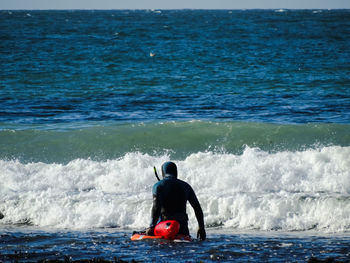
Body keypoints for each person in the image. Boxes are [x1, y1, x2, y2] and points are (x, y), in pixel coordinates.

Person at [145, 161, 206, 240]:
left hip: (165, 227)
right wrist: (201, 228)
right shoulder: (186, 186)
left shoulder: (158, 186)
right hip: (182, 227)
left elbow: (156, 207)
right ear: (176, 172)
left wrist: (152, 226)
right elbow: (197, 207)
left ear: (163, 172)